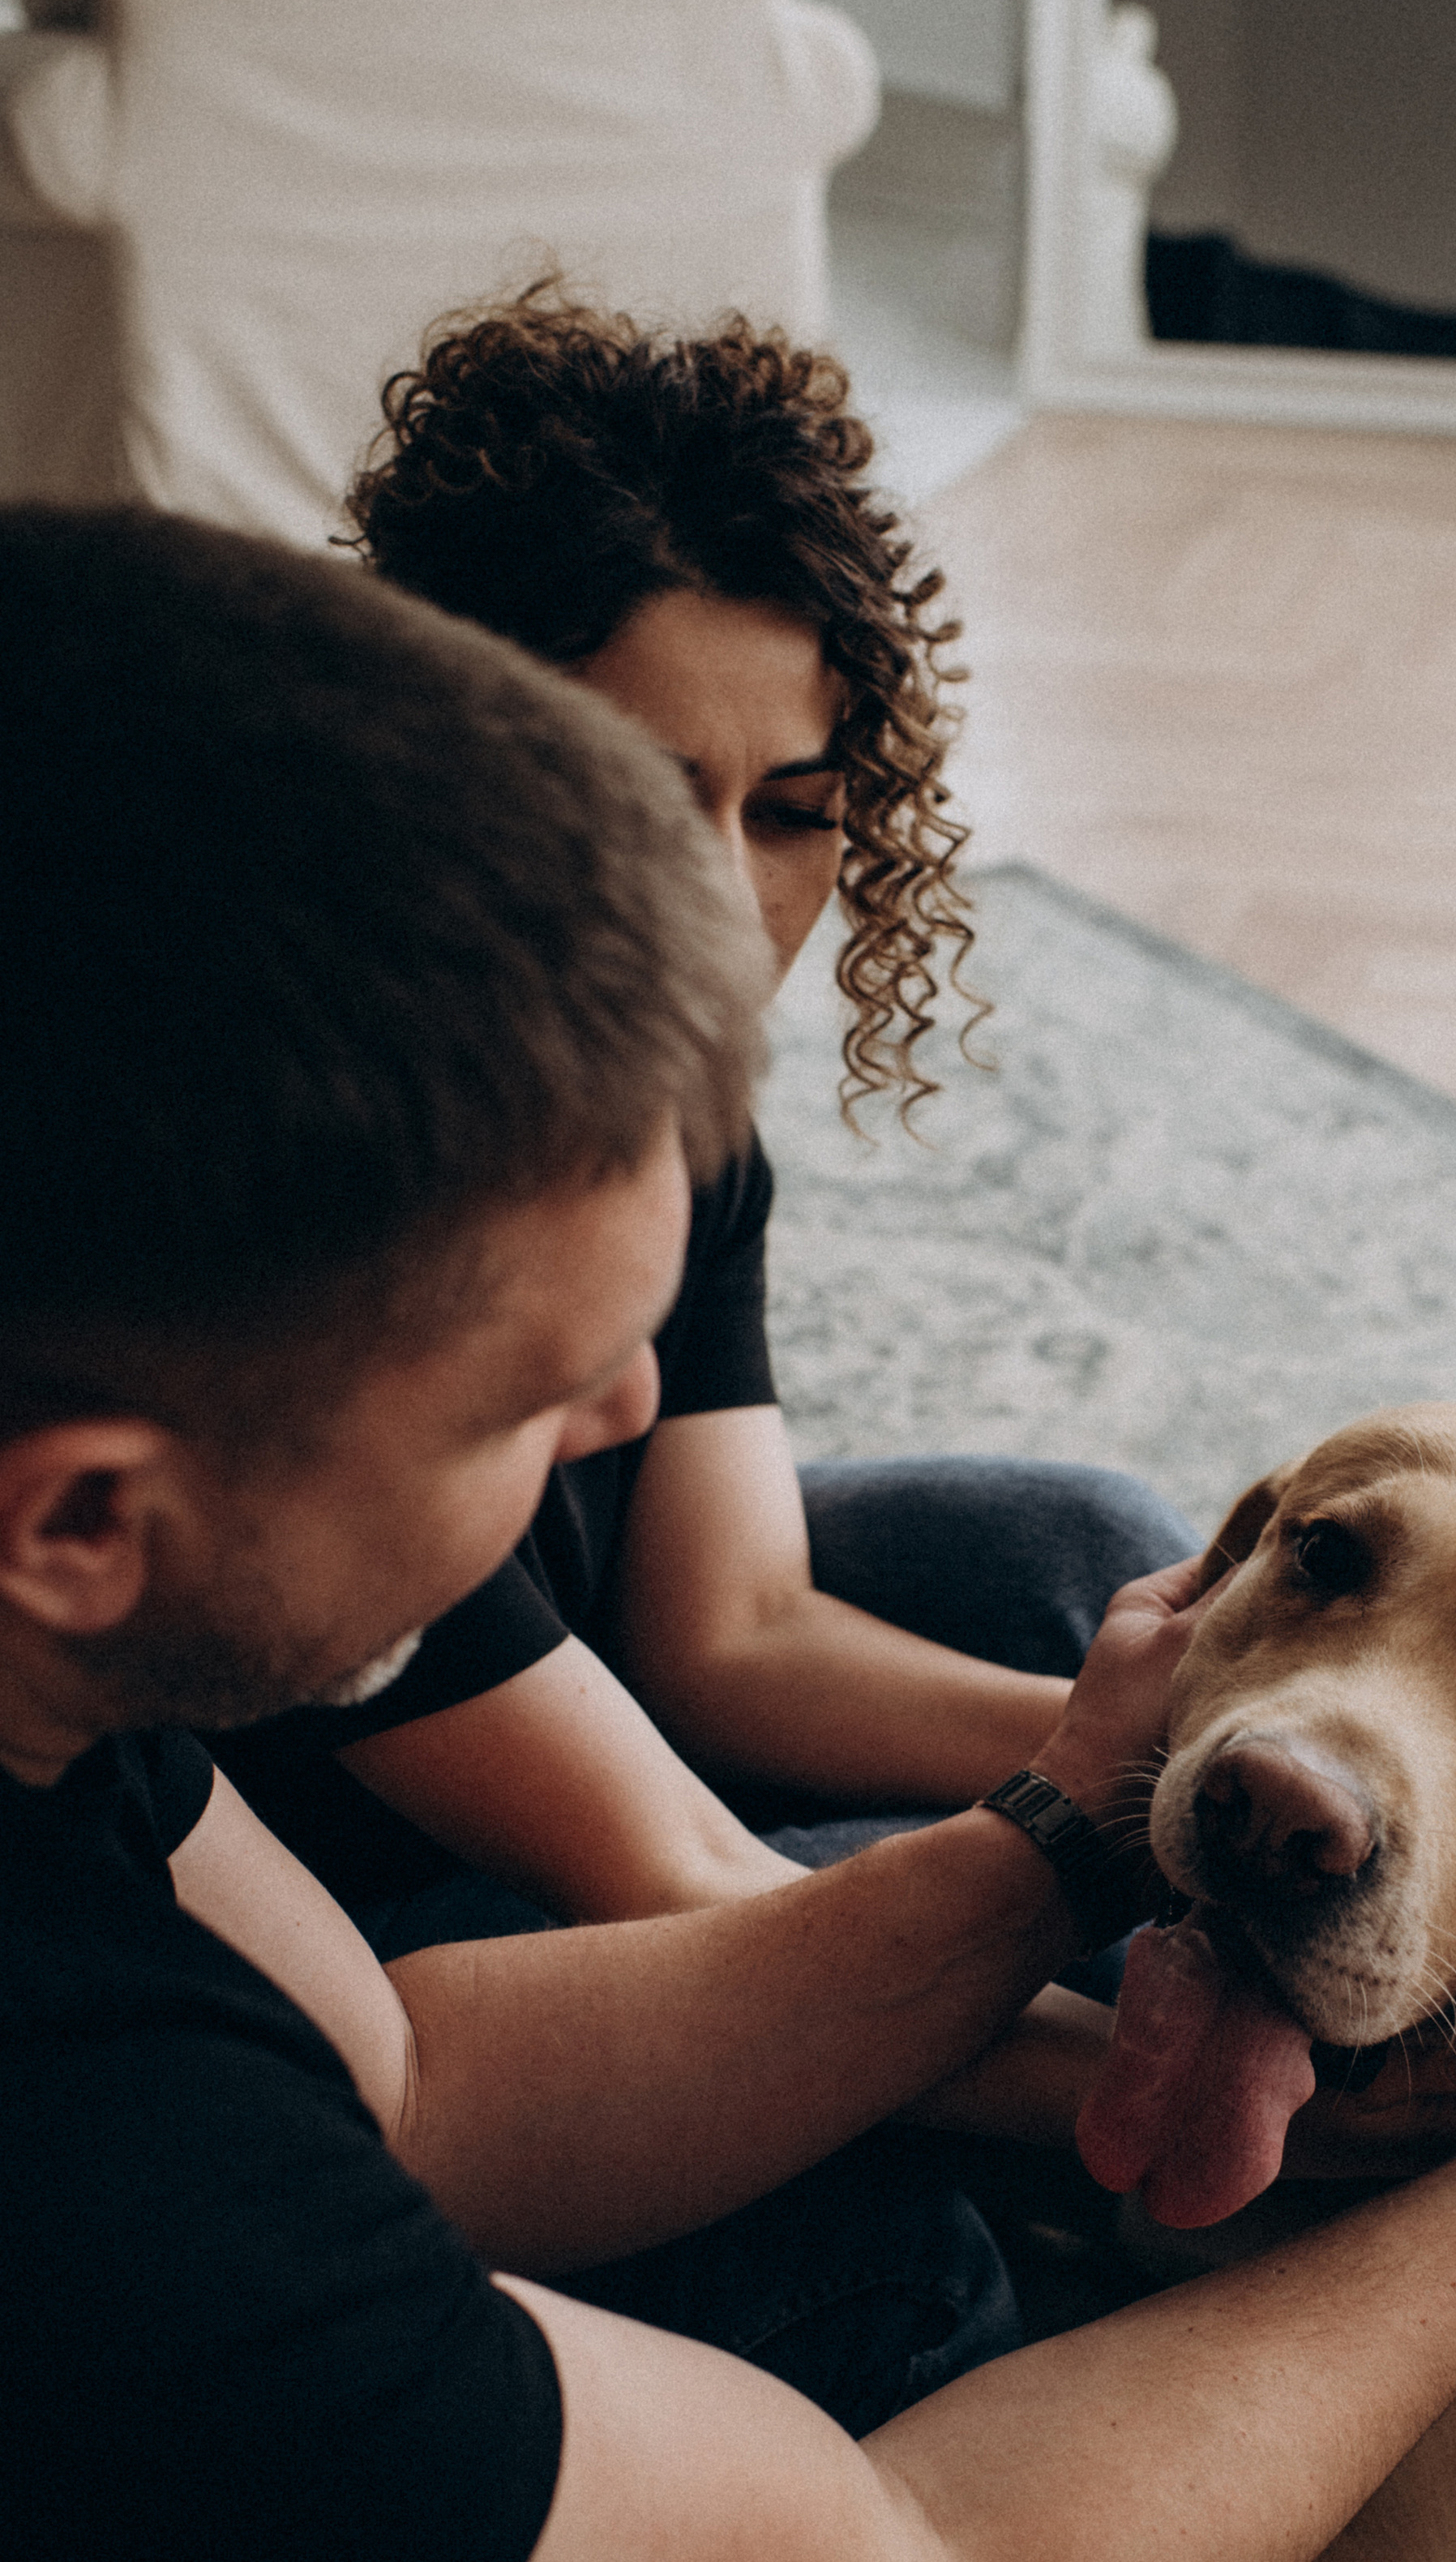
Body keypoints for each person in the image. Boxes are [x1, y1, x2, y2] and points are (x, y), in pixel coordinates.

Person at [1, 504, 1456, 2562]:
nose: (628, 1417)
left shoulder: (47, 1667)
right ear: (94, 1520)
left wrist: (1050, 1838)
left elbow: (409, 2074)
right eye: (525, 1400)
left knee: (872, 2241)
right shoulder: (112, 2238)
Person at [209, 290, 1210, 1964]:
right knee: (969, 1942)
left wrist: (1194, 1769)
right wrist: (1137, 2006)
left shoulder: (677, 1104)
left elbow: (726, 1636)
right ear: (451, 758)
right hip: (402, 1921)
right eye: (638, 792)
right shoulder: (321, 1187)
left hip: (610, 1709)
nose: (725, 896)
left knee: (1093, 1564)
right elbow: (672, 1869)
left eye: (797, 814)